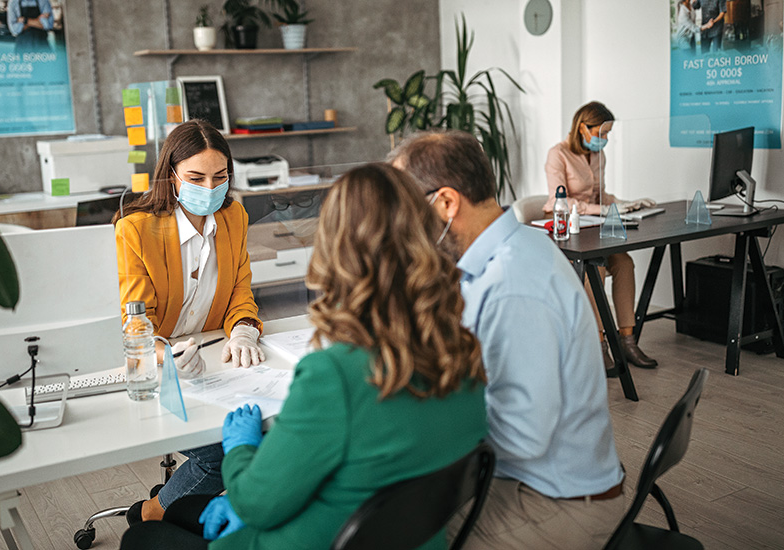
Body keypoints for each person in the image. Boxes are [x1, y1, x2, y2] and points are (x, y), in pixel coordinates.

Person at [119, 163, 488, 550]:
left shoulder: (334, 374)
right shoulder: (463, 351)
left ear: (336, 249)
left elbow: (255, 503)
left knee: (143, 538)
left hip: (314, 538)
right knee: (185, 510)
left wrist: (241, 448)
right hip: (409, 537)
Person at [390, 130, 626, 550]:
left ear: (446, 202)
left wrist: (415, 426)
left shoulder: (512, 285)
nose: (403, 226)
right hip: (543, 480)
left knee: (395, 532)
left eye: (406, 210)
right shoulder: (516, 247)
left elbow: (522, 438)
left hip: (554, 501)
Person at [114, 119, 265, 523]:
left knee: (268, 430)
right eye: (196, 177)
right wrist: (166, 356)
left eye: (220, 177)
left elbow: (240, 290)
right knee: (218, 455)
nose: (209, 187)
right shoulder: (136, 230)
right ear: (172, 176)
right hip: (162, 371)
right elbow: (137, 324)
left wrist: (244, 329)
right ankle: (150, 514)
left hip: (219, 364)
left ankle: (206, 514)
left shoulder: (234, 218)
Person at [544, 101, 658, 371]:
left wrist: (625, 203)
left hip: (594, 228)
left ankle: (628, 341)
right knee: (596, 272)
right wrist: (604, 209)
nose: (605, 139)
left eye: (608, 133)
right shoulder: (557, 154)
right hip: (568, 231)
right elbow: (558, 200)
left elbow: (600, 195)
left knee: (624, 263)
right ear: (583, 127)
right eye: (602, 132)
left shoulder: (598, 156)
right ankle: (599, 344)